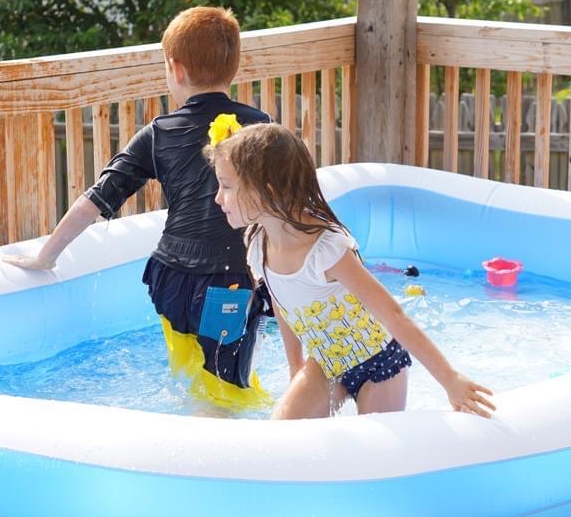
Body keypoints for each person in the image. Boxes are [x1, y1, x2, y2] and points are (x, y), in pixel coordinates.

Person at [4, 7, 270, 408]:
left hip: (169, 280)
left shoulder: (159, 133)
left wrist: (46, 256)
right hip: (228, 281)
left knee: (187, 373)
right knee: (226, 387)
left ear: (176, 70)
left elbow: (95, 199)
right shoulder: (260, 127)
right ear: (233, 67)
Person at [206, 123, 497, 420]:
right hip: (326, 362)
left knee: (373, 458)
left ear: (264, 193)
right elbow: (282, 303)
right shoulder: (257, 243)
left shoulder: (326, 250)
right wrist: (296, 369)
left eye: (226, 186)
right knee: (283, 432)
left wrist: (450, 380)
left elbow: (392, 314)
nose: (217, 197)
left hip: (378, 365)